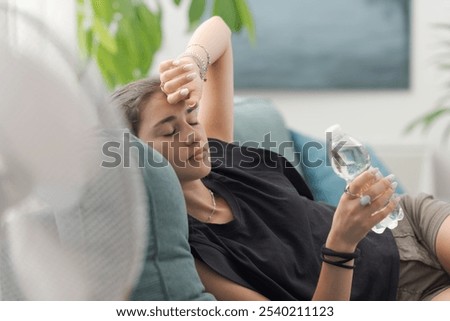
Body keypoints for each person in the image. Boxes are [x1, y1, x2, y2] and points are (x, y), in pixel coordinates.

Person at [111, 16, 450, 300]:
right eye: (170, 132)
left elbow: (219, 31)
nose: (193, 135)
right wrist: (341, 244)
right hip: (396, 296)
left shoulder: (219, 156)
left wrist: (192, 63)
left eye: (192, 117)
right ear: (134, 157)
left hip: (412, 225)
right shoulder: (197, 256)